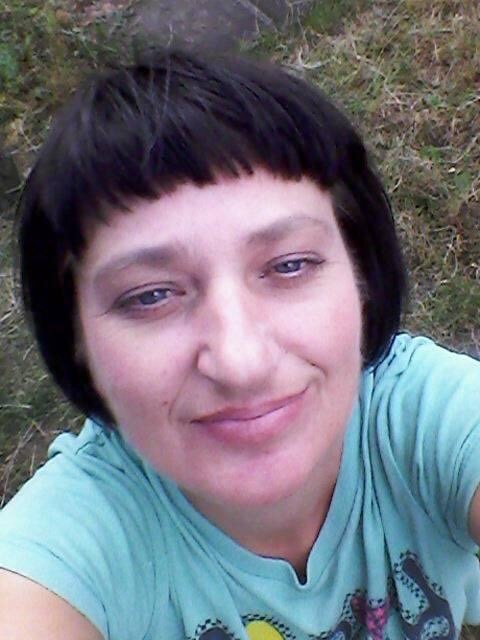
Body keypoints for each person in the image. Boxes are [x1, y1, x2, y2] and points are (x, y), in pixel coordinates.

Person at [0, 49, 479, 640]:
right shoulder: (74, 543)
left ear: (362, 278)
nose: (241, 362)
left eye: (290, 265)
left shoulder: (423, 419)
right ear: (76, 342)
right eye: (151, 295)